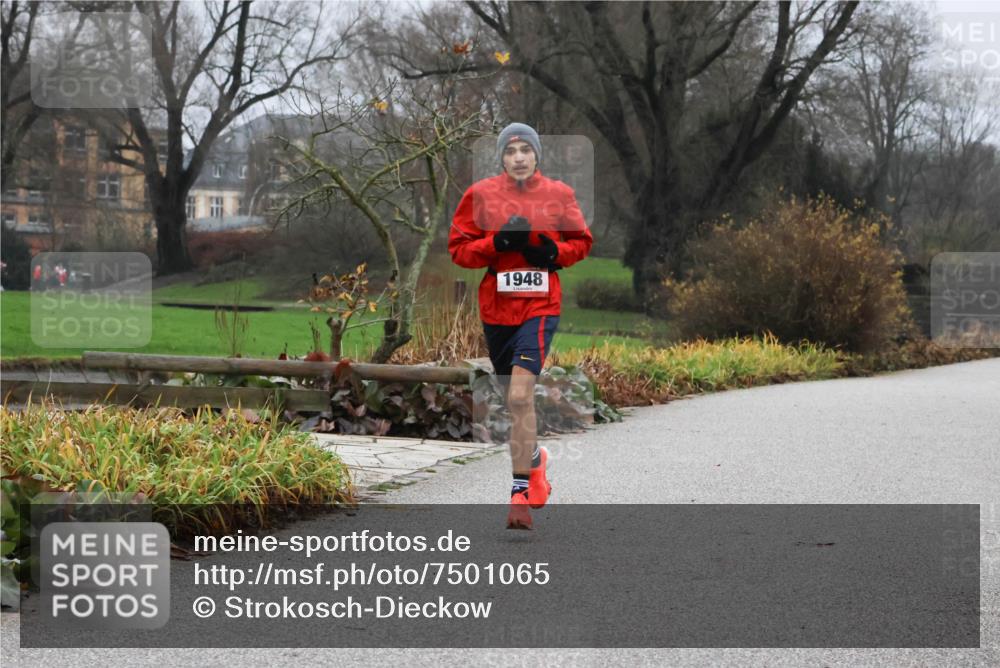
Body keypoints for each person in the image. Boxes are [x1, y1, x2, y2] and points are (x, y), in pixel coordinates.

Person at [448, 123, 593, 529]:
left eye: (525, 150)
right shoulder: (479, 195)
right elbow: (458, 250)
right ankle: (535, 461)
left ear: (536, 155)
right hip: (497, 309)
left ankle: (519, 495)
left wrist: (552, 253)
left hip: (540, 306)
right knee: (515, 402)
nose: (518, 157)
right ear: (501, 157)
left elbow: (582, 243)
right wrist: (497, 244)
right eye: (510, 151)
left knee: (518, 395)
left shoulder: (558, 194)